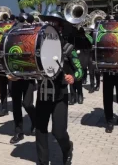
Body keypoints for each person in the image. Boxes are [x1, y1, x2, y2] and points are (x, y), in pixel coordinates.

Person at [37, 11, 83, 165]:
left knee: (58, 132)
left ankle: (67, 148)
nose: (51, 26)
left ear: (61, 29)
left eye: (54, 24)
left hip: (60, 96)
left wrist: (73, 77)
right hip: (43, 93)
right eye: (48, 23)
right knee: (41, 130)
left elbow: (80, 70)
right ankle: (43, 162)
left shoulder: (68, 48)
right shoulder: (38, 48)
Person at [6, 77, 36, 143]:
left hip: (28, 79)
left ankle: (35, 121)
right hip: (14, 79)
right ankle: (18, 132)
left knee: (27, 104)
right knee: (16, 105)